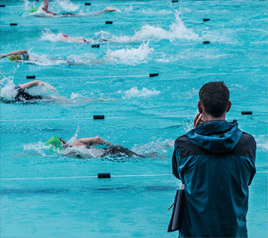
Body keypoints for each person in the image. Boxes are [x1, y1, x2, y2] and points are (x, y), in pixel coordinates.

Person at [172, 81, 256, 237]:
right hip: (234, 232)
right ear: (228, 106)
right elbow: (245, 180)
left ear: (199, 107)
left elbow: (183, 177)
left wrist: (195, 132)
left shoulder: (184, 144)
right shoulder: (247, 143)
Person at [46, 136, 143, 158]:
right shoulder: (76, 143)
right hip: (111, 151)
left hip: (107, 156)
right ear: (63, 141)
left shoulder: (65, 154)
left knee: (140, 157)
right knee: (140, 157)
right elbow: (97, 139)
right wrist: (109, 144)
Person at [34, 0, 117, 17]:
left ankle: (104, 11)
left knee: (85, 15)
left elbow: (46, 4)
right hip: (63, 15)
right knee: (85, 15)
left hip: (64, 15)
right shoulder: (44, 12)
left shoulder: (43, 12)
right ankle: (104, 11)